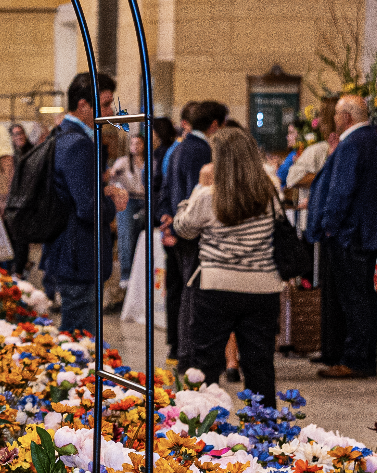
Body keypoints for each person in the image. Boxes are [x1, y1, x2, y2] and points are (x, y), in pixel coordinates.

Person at [171, 128, 282, 407]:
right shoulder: (269, 195)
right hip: (263, 287)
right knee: (260, 366)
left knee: (205, 364)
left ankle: (201, 426)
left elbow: (182, 228)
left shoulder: (209, 196)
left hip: (215, 287)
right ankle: (264, 429)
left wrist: (198, 186)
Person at [306, 92, 377, 379]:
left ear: (346, 116)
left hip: (349, 233)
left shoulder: (352, 144)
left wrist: (329, 224)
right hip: (366, 231)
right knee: (364, 297)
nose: (333, 120)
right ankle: (363, 357)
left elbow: (341, 190)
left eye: (336, 114)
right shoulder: (375, 142)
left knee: (355, 299)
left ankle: (355, 360)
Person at [41, 71, 129, 333]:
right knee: (81, 339)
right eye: (105, 104)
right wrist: (115, 203)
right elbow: (88, 208)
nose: (111, 110)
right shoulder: (77, 143)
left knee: (78, 336)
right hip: (79, 254)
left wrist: (104, 189)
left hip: (71, 252)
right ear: (83, 105)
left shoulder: (63, 135)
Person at [159, 100, 223, 358]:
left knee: (178, 288)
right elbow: (196, 195)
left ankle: (177, 344)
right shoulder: (201, 151)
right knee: (191, 291)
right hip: (190, 231)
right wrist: (180, 225)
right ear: (215, 125)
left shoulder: (177, 148)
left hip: (176, 225)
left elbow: (165, 188)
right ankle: (188, 347)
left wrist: (165, 218)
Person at [108, 133, 147, 288]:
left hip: (144, 199)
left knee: (141, 238)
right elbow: (112, 176)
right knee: (126, 236)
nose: (135, 146)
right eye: (132, 144)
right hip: (128, 199)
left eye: (138, 143)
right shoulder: (123, 162)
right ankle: (126, 275)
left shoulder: (148, 161)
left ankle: (140, 276)